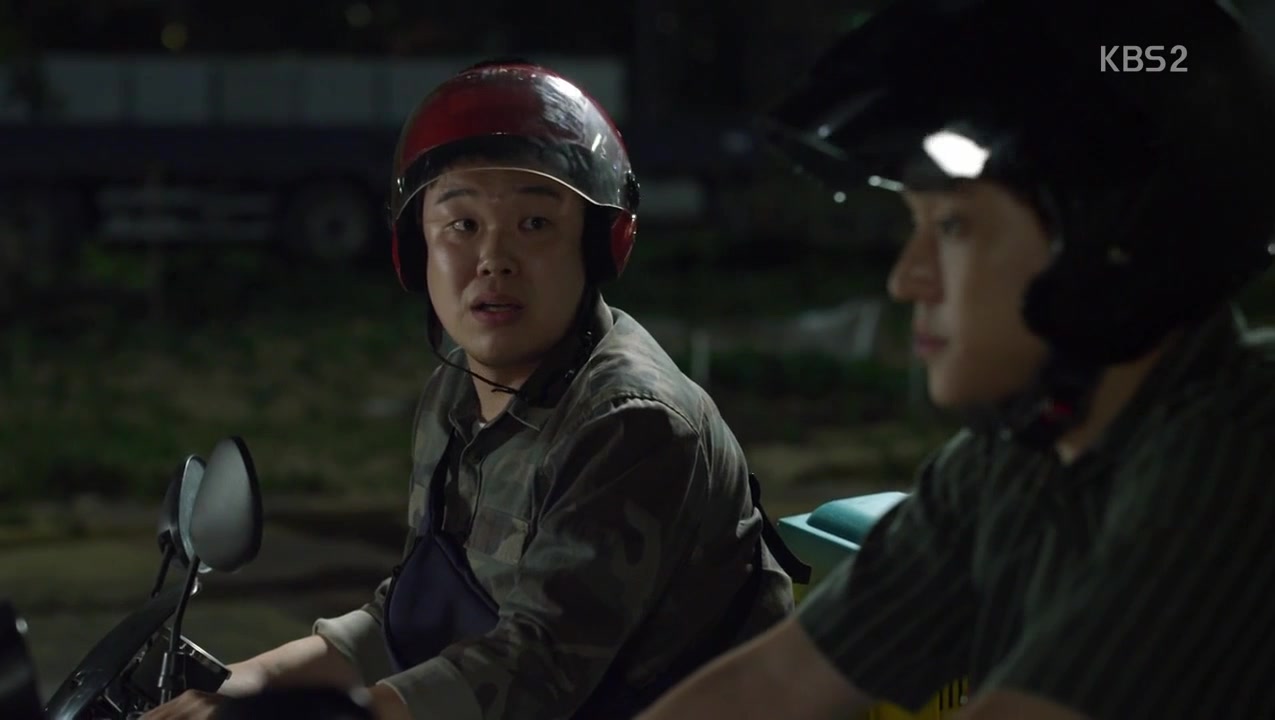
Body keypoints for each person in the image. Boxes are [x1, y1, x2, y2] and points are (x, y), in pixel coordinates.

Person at [638, 1, 1275, 719]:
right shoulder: (1015, 460)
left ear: (1110, 241)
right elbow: (776, 685)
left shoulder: (1244, 447)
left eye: (952, 225)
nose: (905, 278)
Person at [144, 60, 806, 720]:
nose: (493, 259)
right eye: (461, 226)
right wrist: (241, 686)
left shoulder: (630, 422)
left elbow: (535, 666)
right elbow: (406, 623)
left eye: (534, 224)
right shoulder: (456, 392)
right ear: (418, 250)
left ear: (597, 247)